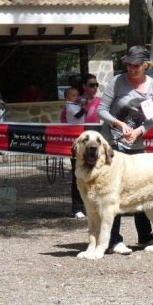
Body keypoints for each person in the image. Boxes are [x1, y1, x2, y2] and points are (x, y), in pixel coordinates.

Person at [97, 45, 153, 255]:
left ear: (145, 66)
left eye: (135, 65)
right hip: (113, 144)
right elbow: (101, 110)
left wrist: (139, 131)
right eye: (128, 65)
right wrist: (118, 124)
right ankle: (113, 240)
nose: (131, 69)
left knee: (140, 189)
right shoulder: (117, 81)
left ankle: (144, 236)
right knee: (113, 192)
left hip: (137, 144)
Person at [62, 87, 87, 219]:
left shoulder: (74, 105)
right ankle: (76, 207)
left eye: (77, 95)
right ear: (67, 97)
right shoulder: (70, 106)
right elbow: (78, 115)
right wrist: (85, 107)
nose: (76, 97)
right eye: (73, 95)